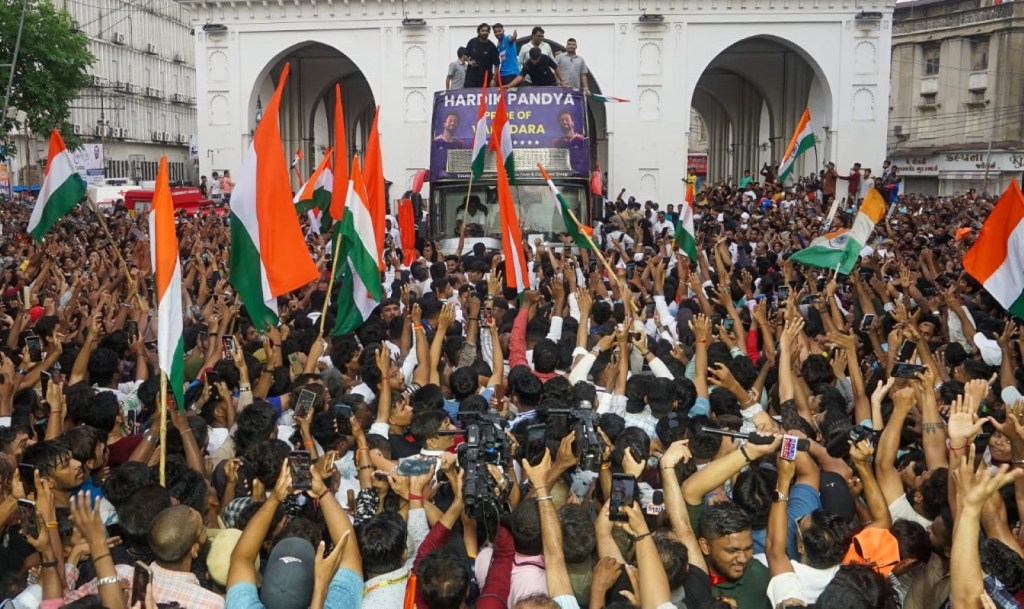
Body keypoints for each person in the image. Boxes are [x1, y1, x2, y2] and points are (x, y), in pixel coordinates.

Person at [464, 22, 499, 89]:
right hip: (471, 80)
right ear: (479, 32)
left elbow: (497, 64)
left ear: (489, 32)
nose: (485, 32)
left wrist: (494, 79)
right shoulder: (472, 42)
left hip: (486, 81)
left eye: (486, 31)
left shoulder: (492, 46)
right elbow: (465, 55)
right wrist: (469, 62)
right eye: (483, 31)